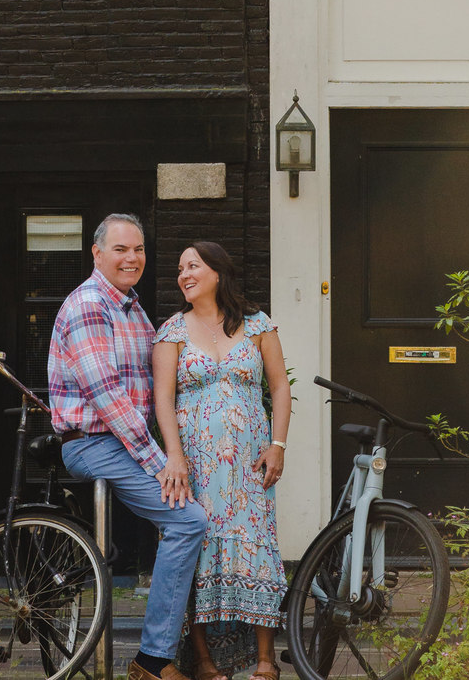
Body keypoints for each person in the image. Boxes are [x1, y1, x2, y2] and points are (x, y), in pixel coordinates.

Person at [49, 212, 209, 680]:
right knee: (187, 519)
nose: (132, 258)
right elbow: (109, 398)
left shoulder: (132, 307)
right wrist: (161, 462)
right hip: (93, 444)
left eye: (138, 249)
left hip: (122, 443)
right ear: (97, 254)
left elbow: (159, 384)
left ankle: (187, 652)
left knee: (196, 509)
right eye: (120, 249)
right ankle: (153, 662)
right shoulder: (88, 305)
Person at [153, 242, 291, 680]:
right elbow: (162, 400)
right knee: (196, 555)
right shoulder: (171, 332)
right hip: (195, 464)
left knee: (257, 550)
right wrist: (175, 457)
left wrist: (278, 444)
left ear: (218, 271)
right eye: (180, 269)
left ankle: (265, 660)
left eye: (193, 265)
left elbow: (280, 388)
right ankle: (206, 663)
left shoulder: (257, 325)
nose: (184, 274)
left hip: (250, 465)